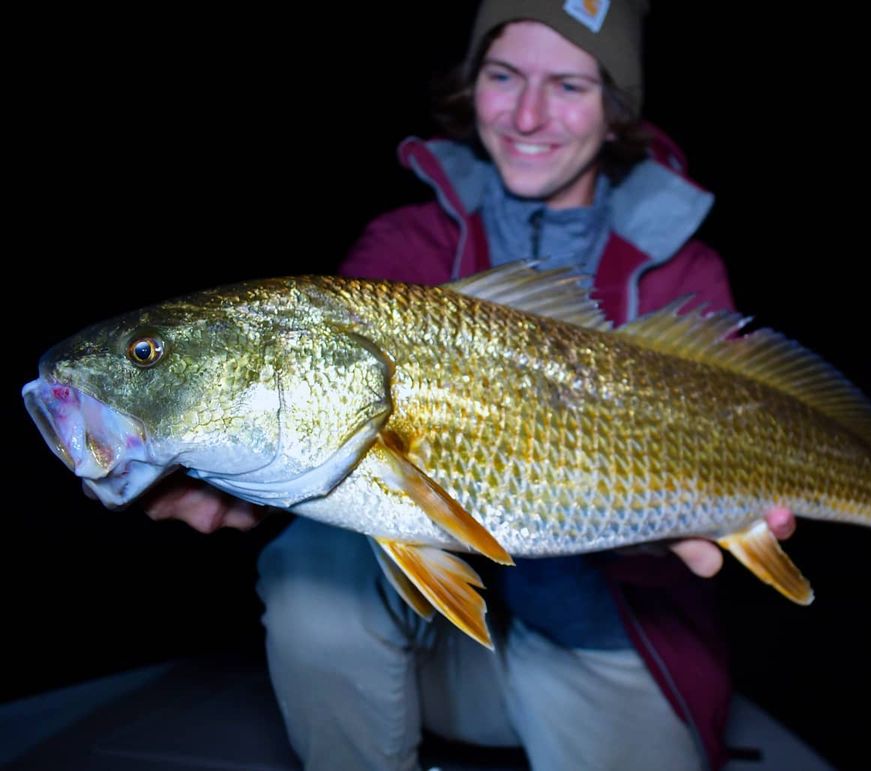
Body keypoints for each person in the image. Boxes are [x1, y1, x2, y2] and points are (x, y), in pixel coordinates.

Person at [146, 2, 796, 769]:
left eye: (569, 86)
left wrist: (664, 519)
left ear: (617, 109)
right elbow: (323, 434)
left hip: (606, 640)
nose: (527, 113)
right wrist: (227, 475)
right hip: (442, 655)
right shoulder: (405, 245)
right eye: (503, 74)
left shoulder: (686, 273)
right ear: (471, 83)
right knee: (309, 575)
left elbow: (736, 455)